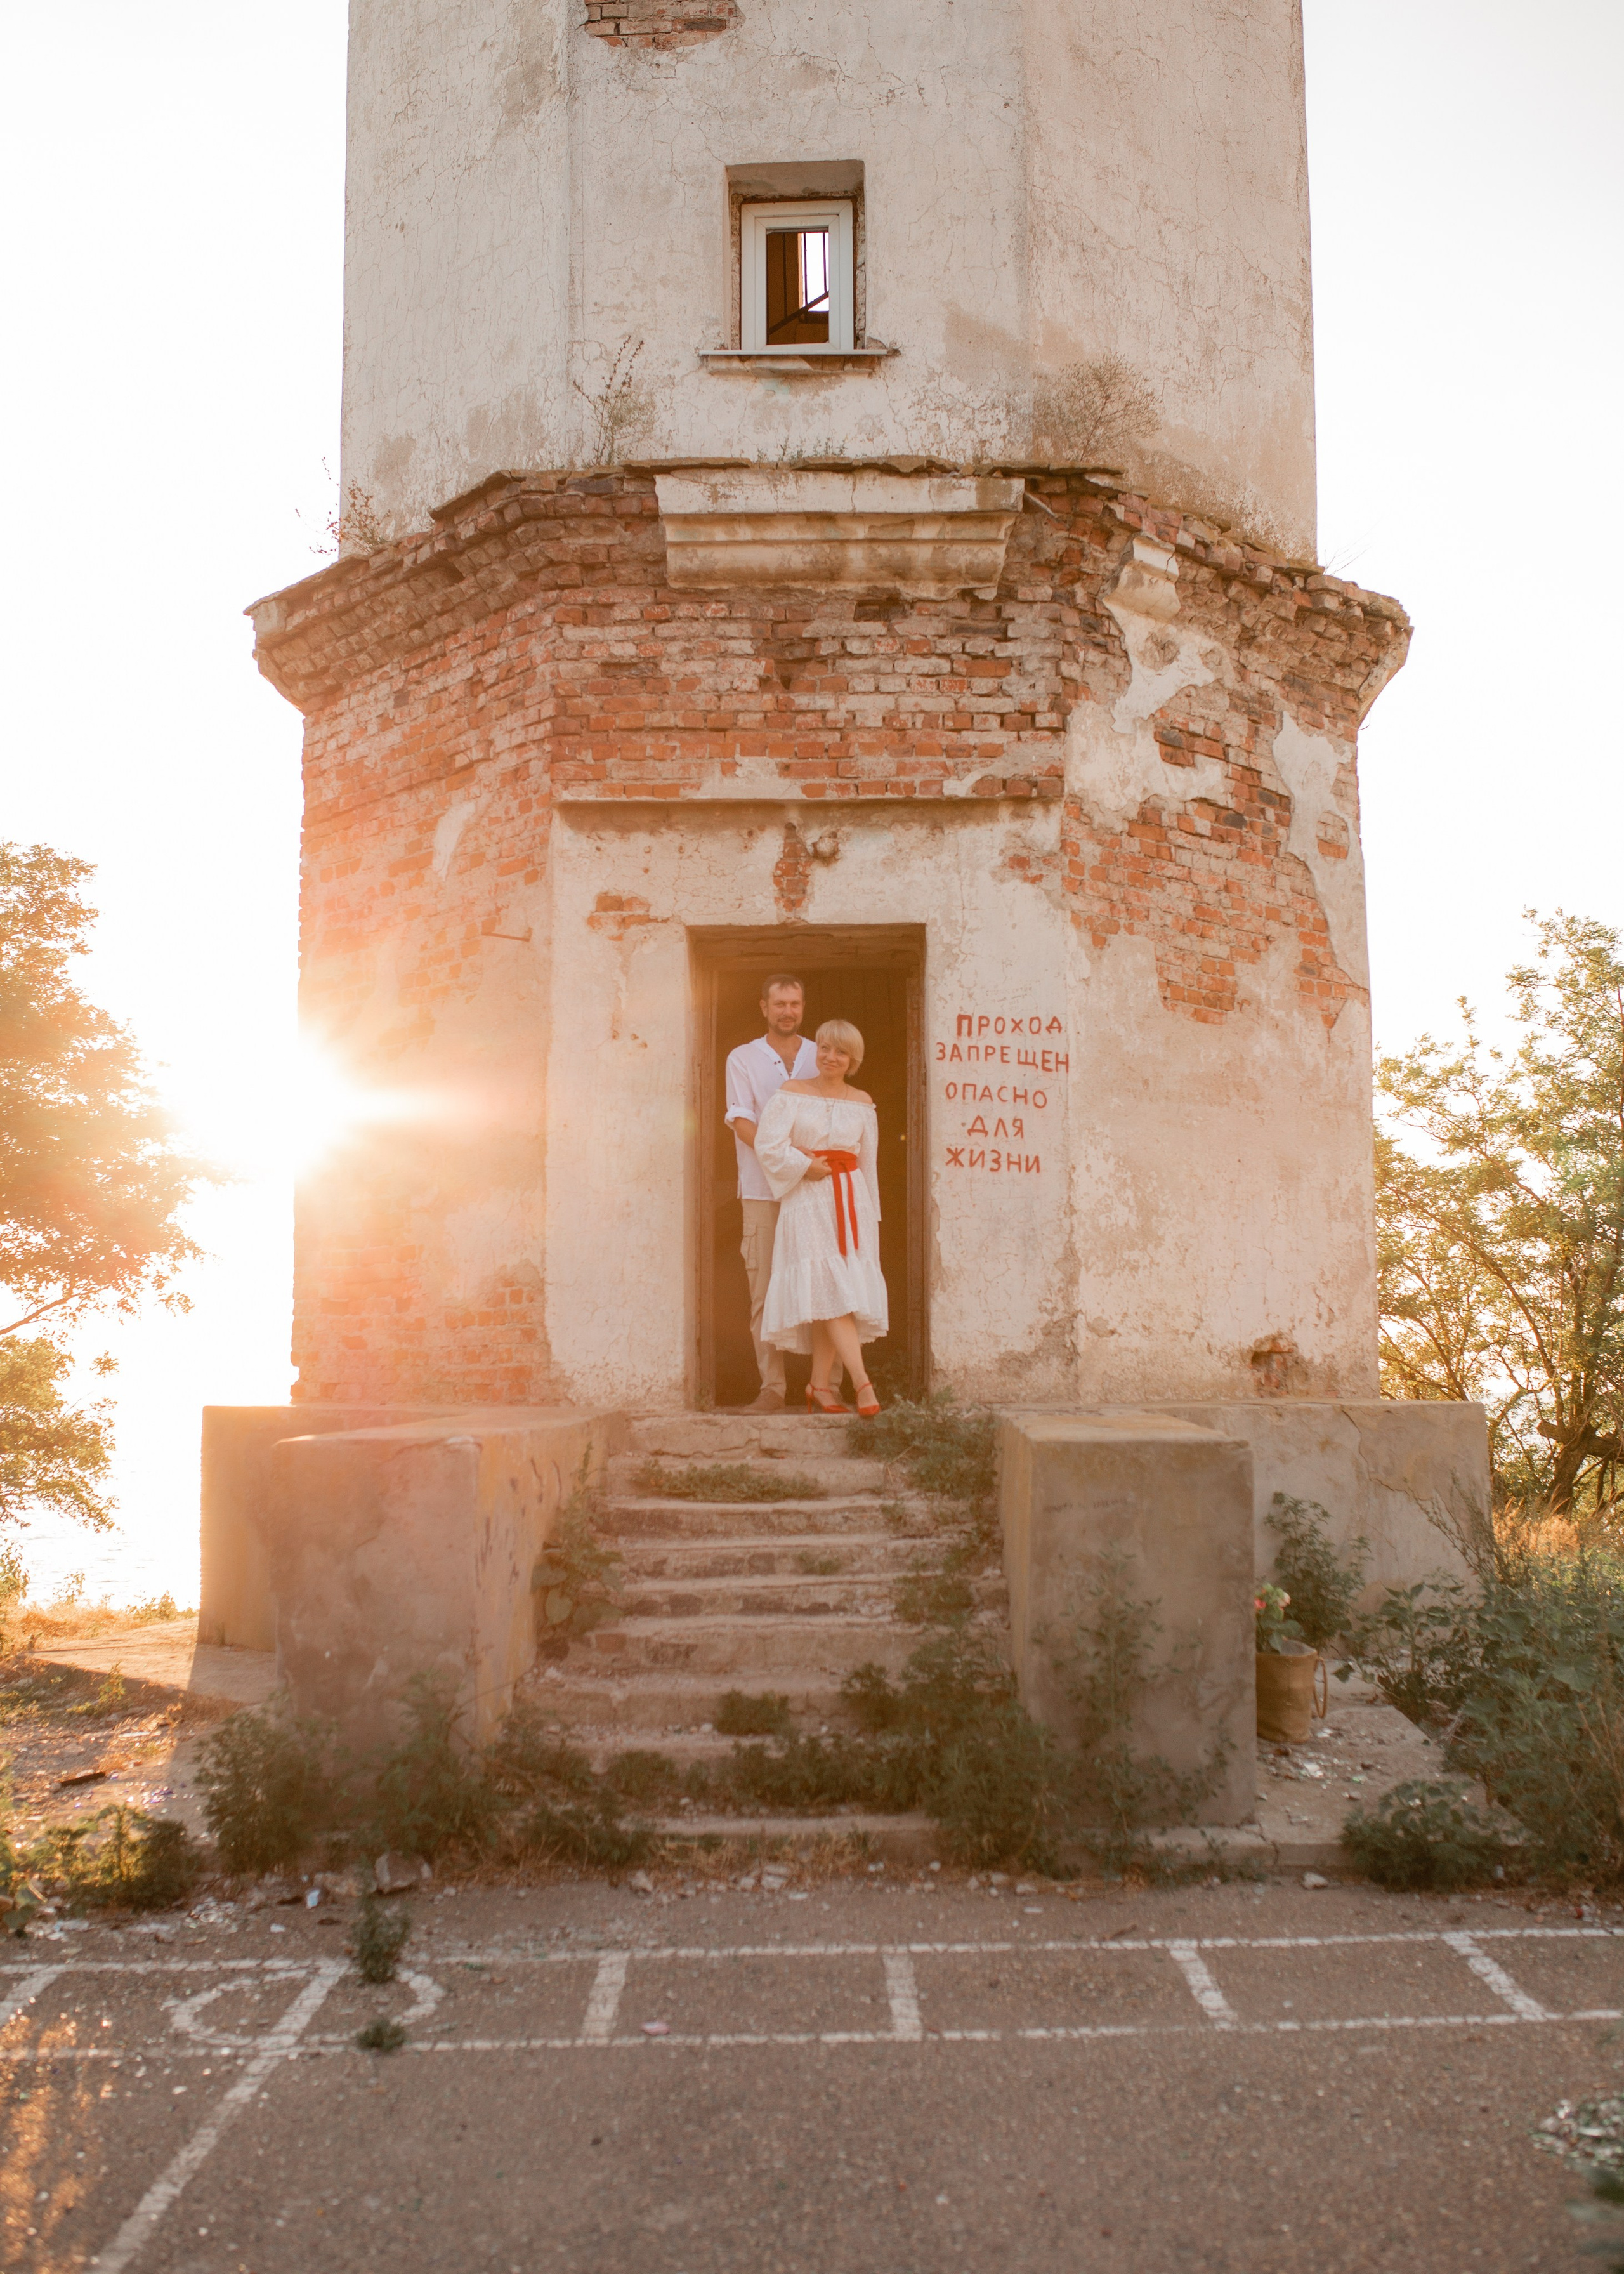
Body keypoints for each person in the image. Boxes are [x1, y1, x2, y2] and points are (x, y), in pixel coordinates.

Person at [753, 1018, 887, 1417]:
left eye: (840, 1052)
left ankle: (819, 1386)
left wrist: (871, 1217)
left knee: (835, 1291)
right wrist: (803, 1165)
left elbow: (869, 1164)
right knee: (830, 1288)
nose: (830, 1057)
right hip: (808, 1199)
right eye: (825, 1048)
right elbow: (768, 1145)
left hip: (851, 1201)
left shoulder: (862, 1102)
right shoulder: (793, 1093)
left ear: (853, 1059)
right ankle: (863, 1383)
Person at [723, 973, 820, 1412]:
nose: (787, 1012)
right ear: (764, 1007)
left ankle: (826, 1386)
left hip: (815, 1190)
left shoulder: (822, 1056)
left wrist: (810, 1166)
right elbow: (743, 1122)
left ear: (803, 1007)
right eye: (779, 1003)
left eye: (794, 1004)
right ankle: (773, 1389)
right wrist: (787, 1157)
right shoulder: (743, 1058)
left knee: (821, 1285)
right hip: (762, 1189)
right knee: (764, 1288)